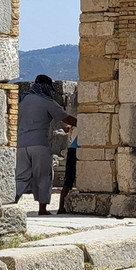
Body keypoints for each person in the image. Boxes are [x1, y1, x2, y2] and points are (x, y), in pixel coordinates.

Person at [15, 75, 76, 216]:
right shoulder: (46, 101)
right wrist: (83, 122)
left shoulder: (23, 100)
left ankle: (11, 203)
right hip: (39, 144)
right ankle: (42, 209)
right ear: (46, 87)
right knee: (43, 176)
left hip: (21, 144)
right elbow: (65, 117)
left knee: (21, 177)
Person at [57, 131, 78, 215]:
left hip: (73, 149)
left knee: (68, 180)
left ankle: (61, 207)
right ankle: (61, 208)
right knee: (69, 180)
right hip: (76, 149)